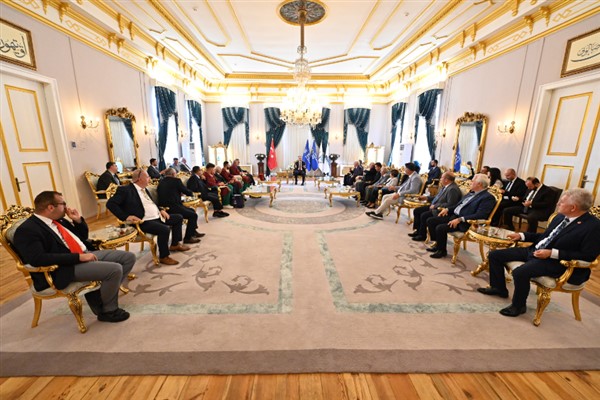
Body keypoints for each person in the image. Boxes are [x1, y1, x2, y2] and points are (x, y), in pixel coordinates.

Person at [13, 191, 135, 322]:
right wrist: (78, 257)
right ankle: (109, 310)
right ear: (51, 207)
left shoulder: (58, 220)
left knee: (128, 258)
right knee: (115, 269)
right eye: (63, 204)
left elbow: (82, 237)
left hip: (84, 253)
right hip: (65, 267)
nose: (66, 207)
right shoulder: (28, 229)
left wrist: (77, 221)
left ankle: (100, 296)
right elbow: (38, 259)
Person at [478, 189, 600, 317]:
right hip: (536, 251)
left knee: (520, 272)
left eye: (562, 202)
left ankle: (518, 306)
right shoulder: (560, 217)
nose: (558, 204)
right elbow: (546, 237)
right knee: (495, 255)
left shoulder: (594, 226)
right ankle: (498, 288)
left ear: (573, 207)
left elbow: (588, 256)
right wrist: (522, 235)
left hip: (558, 262)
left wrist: (552, 253)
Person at [106, 169, 191, 266]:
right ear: (140, 179)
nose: (149, 178)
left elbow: (152, 203)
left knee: (178, 218)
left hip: (157, 217)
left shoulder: (144, 189)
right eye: (147, 177)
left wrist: (161, 210)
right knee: (164, 229)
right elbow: (110, 204)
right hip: (143, 221)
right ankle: (164, 256)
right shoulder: (126, 190)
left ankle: (175, 244)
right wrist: (126, 216)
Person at [424, 174, 496, 258]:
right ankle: (437, 244)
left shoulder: (487, 197)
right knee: (431, 221)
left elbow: (481, 215)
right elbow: (458, 206)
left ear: (479, 184)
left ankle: (441, 251)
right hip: (454, 216)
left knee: (440, 228)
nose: (470, 182)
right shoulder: (471, 193)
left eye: (472, 181)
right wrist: (447, 209)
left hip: (465, 222)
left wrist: (460, 219)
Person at [409, 171, 463, 241]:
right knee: (417, 210)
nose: (440, 179)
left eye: (442, 177)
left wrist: (435, 206)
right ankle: (418, 231)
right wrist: (427, 198)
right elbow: (438, 197)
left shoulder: (452, 189)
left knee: (424, 215)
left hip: (441, 210)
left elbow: (451, 204)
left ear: (446, 180)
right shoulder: (446, 186)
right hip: (434, 207)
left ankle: (422, 235)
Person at [157, 168, 204, 243]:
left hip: (164, 207)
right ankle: (188, 238)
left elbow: (171, 191)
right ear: (173, 174)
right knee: (193, 215)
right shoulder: (176, 181)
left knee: (192, 210)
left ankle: (192, 231)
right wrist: (192, 193)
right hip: (174, 206)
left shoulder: (161, 181)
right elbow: (185, 191)